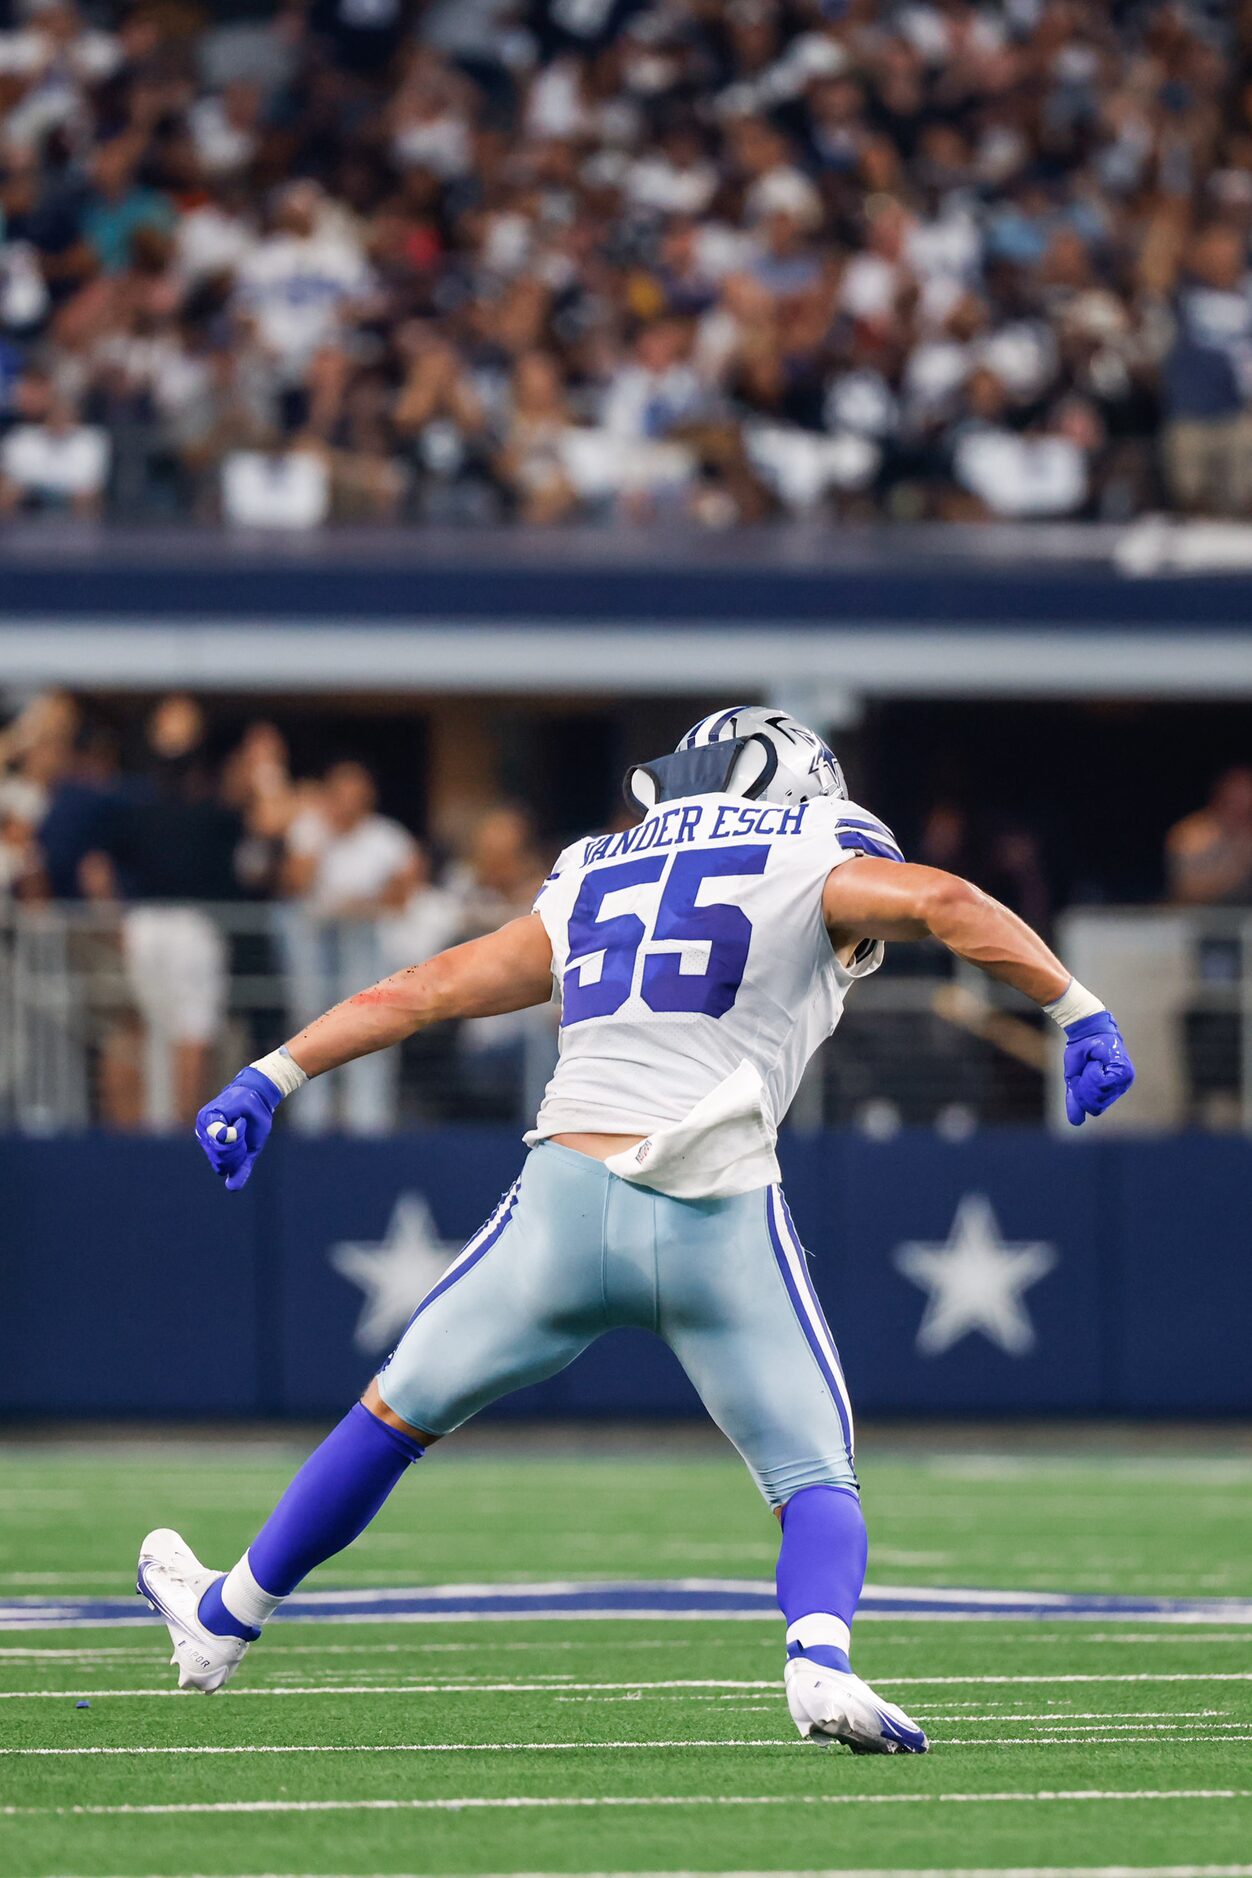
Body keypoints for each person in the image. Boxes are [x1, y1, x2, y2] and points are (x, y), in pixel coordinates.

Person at [138, 707, 1135, 1750]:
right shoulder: (810, 848)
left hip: (563, 1203)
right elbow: (938, 900)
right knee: (812, 1477)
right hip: (714, 1201)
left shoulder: (591, 869)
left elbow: (426, 989)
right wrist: (1075, 1009)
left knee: (390, 1419)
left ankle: (223, 1619)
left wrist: (271, 1071)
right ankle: (818, 1661)